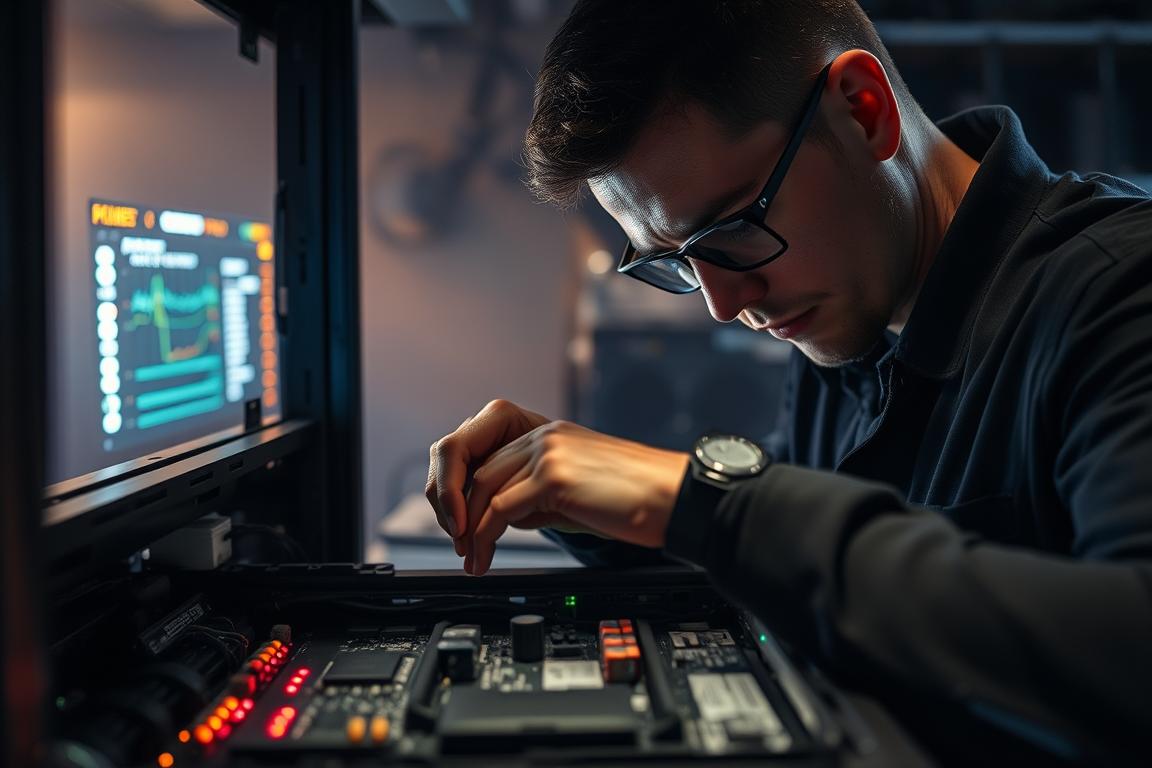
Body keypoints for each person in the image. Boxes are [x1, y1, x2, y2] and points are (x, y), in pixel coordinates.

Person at [425, 1, 1152, 762]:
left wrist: (703, 502)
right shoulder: (850, 321)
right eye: (673, 262)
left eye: (734, 232)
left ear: (863, 111)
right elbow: (803, 566)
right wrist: (594, 506)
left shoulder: (1120, 292)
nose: (724, 304)